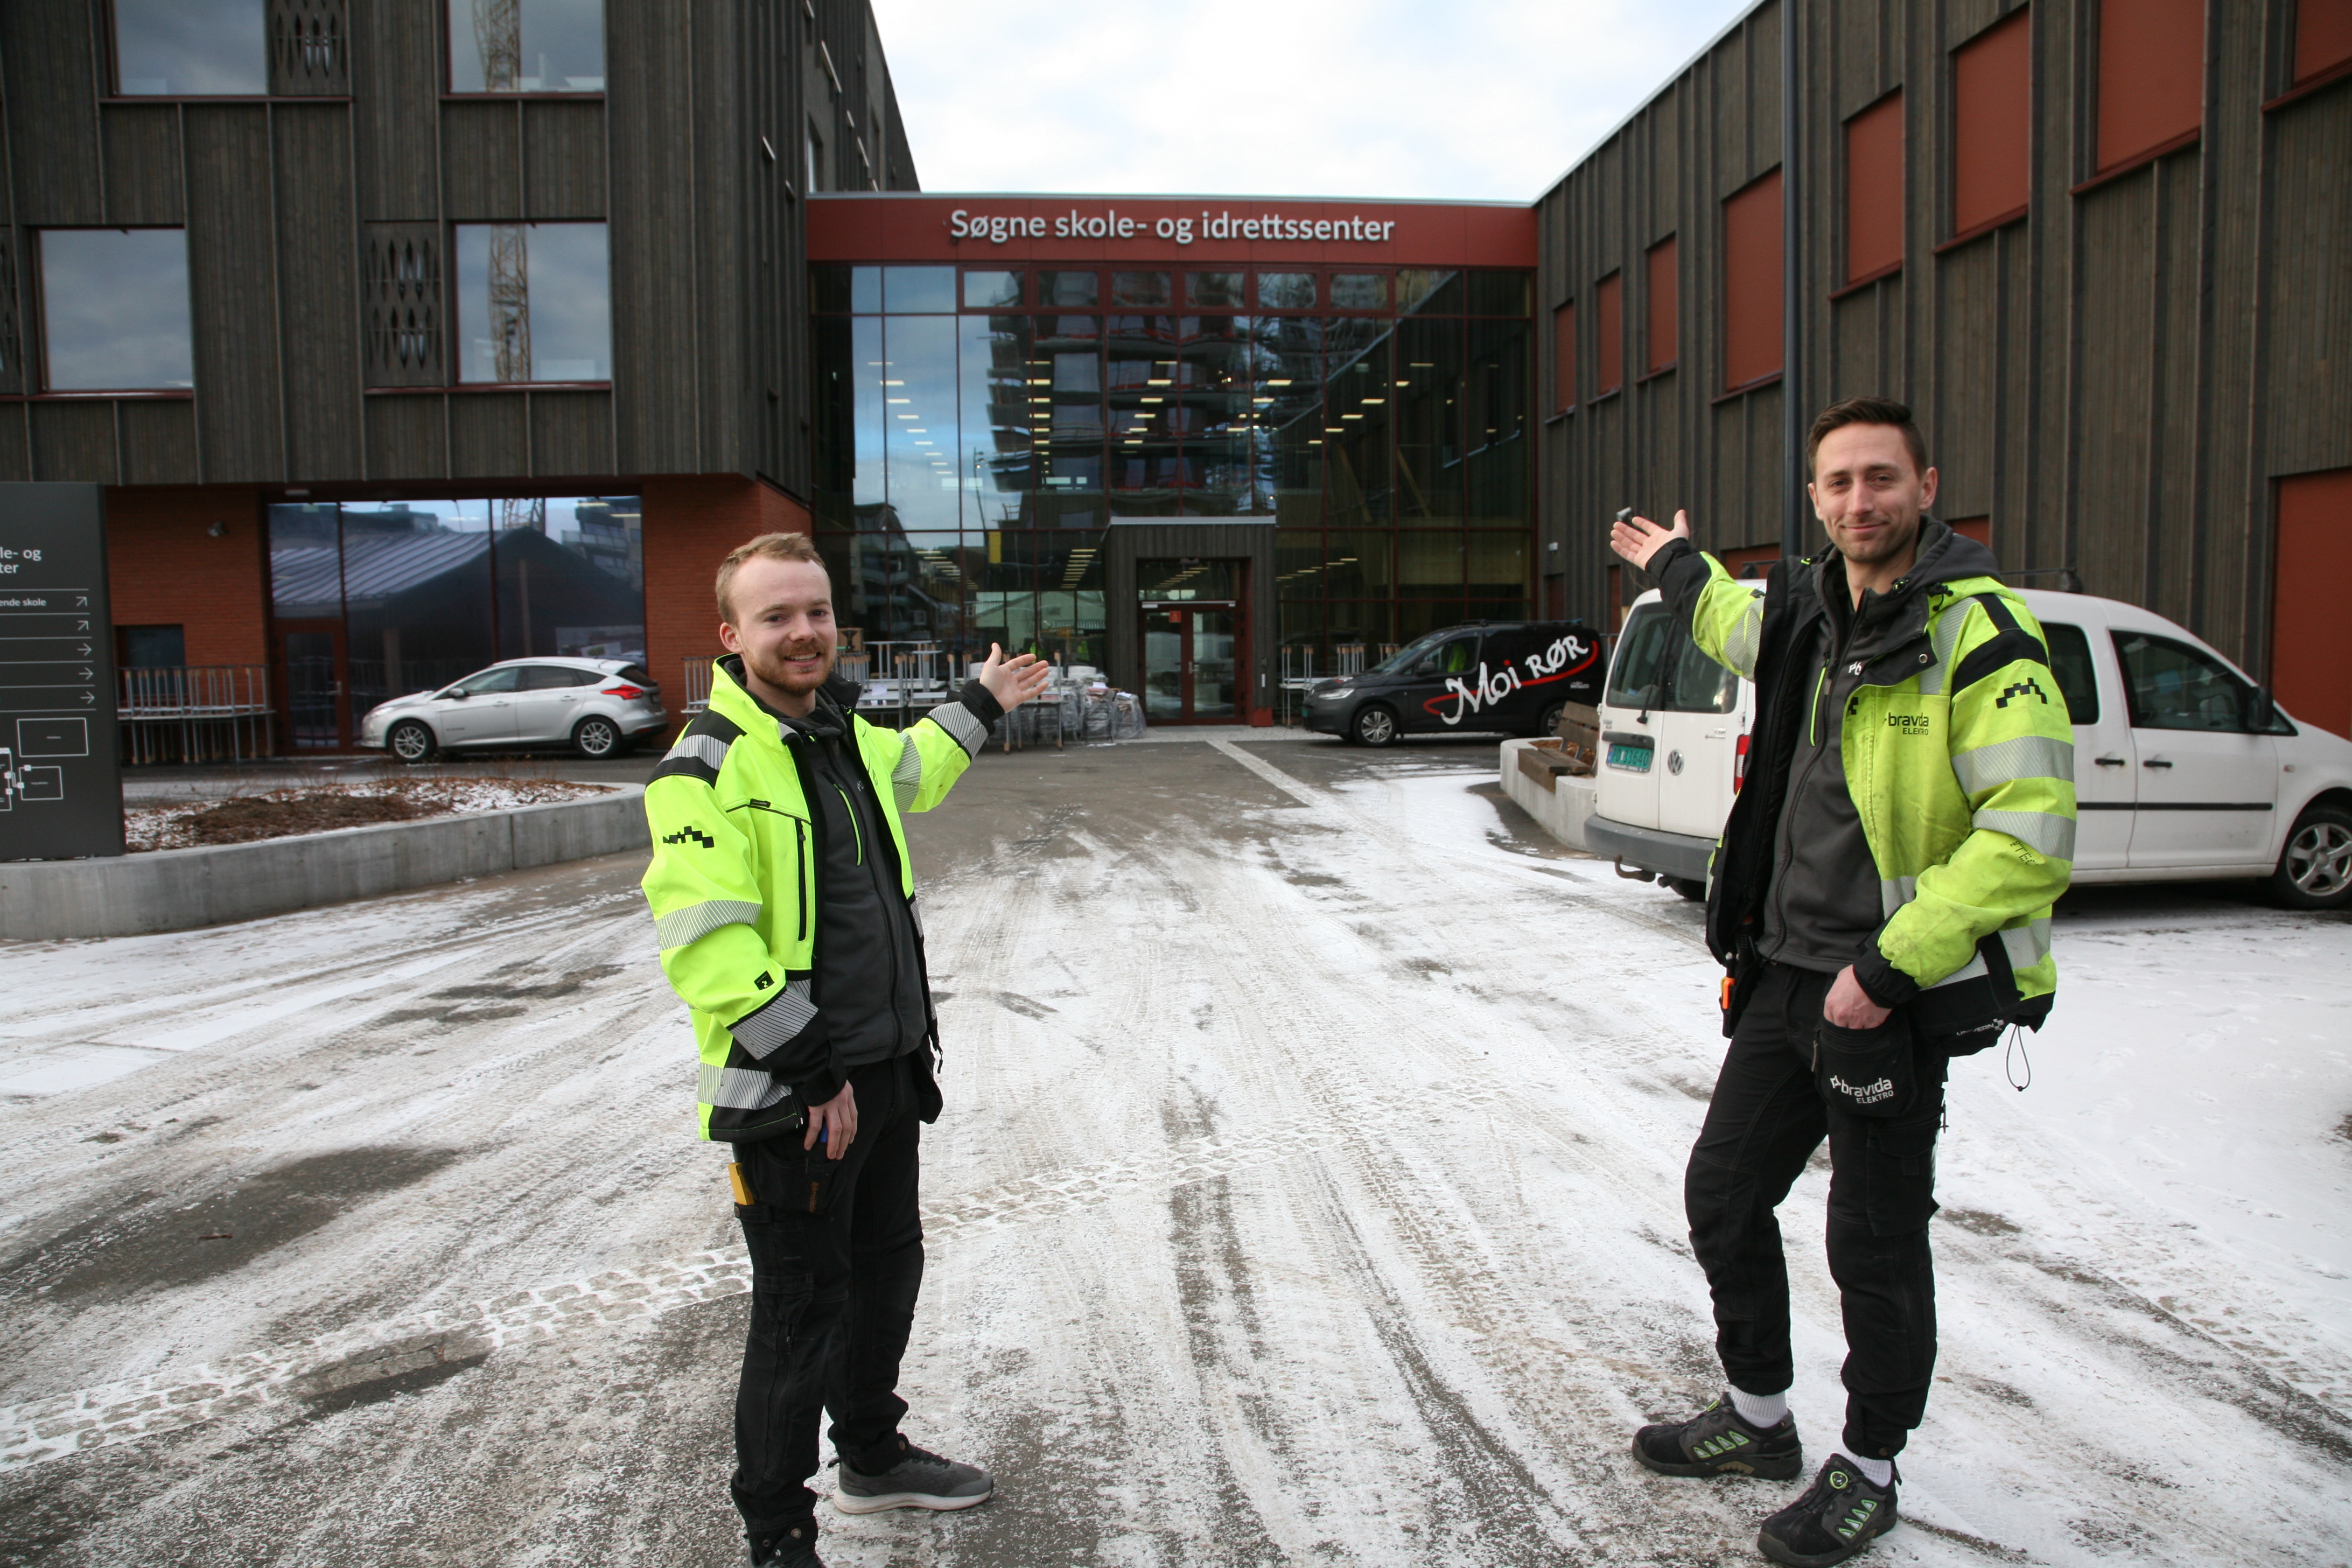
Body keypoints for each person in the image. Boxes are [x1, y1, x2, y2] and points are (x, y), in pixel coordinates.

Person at [1607, 398, 2075, 1566]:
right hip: (1784, 973)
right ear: (1815, 500)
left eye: (1881, 478)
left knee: (1872, 1240)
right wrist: (1673, 563)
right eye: (1837, 484)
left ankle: (1869, 1466)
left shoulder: (1986, 636)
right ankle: (1761, 1419)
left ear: (1928, 485)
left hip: (1886, 995)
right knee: (1722, 1195)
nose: (1859, 501)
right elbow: (1722, 614)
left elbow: (2030, 837)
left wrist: (1886, 968)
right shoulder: (1808, 611)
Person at [641, 531, 1051, 1568]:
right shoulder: (706, 769)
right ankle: (777, 1534)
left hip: (886, 1074)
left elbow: (918, 764)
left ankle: (870, 1454)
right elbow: (711, 947)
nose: (804, 632)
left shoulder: (841, 734)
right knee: (797, 1318)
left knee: (883, 1279)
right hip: (798, 1096)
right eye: (777, 616)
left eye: (816, 612)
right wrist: (810, 1071)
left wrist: (983, 699)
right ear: (732, 636)